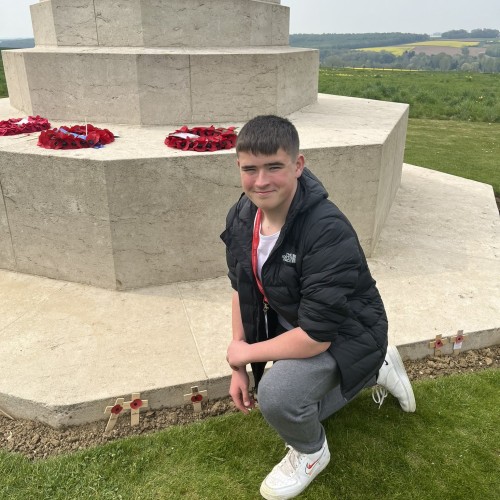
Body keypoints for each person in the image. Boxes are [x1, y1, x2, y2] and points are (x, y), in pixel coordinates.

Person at [221, 115, 415, 500]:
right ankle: (375, 371)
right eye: (250, 169)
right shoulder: (243, 214)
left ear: (298, 165)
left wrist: (247, 352)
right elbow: (241, 287)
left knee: (278, 397)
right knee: (281, 400)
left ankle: (312, 452)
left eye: (274, 166)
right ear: (239, 168)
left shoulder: (327, 229)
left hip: (349, 332)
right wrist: (238, 364)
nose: (261, 181)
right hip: (299, 319)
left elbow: (314, 338)